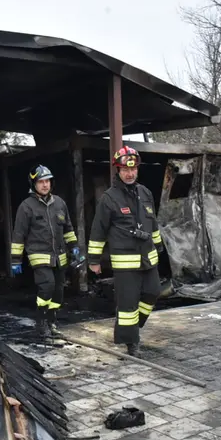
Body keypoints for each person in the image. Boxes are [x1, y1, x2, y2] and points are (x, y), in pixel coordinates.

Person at [87, 146, 164, 357]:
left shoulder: (145, 193)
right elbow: (98, 230)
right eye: (125, 170)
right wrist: (94, 260)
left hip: (148, 258)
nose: (130, 174)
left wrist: (159, 245)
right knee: (128, 304)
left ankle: (130, 329)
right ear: (118, 171)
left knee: (153, 292)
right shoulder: (109, 199)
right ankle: (132, 343)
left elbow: (153, 223)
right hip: (125, 262)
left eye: (133, 169)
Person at [10, 165, 80, 336]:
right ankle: (40, 322)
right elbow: (18, 235)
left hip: (60, 256)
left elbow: (68, 228)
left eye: (47, 181)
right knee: (47, 286)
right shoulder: (26, 206)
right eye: (41, 181)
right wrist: (15, 260)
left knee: (58, 291)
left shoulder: (60, 203)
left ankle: (51, 321)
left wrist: (75, 247)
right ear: (33, 184)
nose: (45, 185)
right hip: (39, 255)